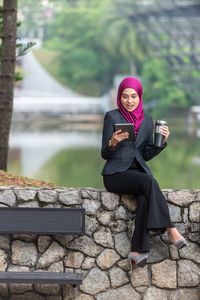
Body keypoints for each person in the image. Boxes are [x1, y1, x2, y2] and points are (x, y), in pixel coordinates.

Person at [101, 77, 187, 271]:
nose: (129, 101)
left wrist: (161, 142)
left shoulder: (147, 121)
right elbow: (104, 153)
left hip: (137, 175)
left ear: (139, 97)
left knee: (145, 199)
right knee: (149, 180)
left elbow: (144, 155)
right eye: (124, 96)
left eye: (133, 96)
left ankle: (136, 251)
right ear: (119, 97)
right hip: (115, 174)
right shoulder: (112, 117)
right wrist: (113, 142)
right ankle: (170, 229)